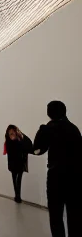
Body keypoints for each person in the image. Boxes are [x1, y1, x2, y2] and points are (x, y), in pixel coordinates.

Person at [33, 101, 82, 237]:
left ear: (49, 113)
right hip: (75, 178)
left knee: (56, 215)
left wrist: (41, 131)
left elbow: (37, 150)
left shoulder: (49, 128)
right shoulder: (74, 129)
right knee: (75, 215)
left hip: (56, 177)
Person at [4, 125, 32, 203]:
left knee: (18, 180)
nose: (12, 135)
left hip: (20, 163)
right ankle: (17, 196)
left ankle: (17, 196)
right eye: (10, 133)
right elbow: (10, 153)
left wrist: (21, 134)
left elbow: (29, 144)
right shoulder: (9, 142)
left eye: (13, 133)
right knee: (15, 180)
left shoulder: (20, 141)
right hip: (13, 164)